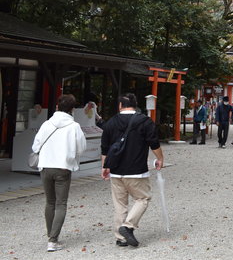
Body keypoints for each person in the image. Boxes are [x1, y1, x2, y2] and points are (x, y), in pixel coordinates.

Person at [100, 93, 164, 248]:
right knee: (142, 199)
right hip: (137, 170)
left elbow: (105, 148)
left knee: (120, 204)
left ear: (120, 105)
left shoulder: (110, 123)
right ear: (135, 105)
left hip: (115, 170)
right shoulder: (144, 121)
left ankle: (120, 238)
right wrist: (160, 159)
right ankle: (128, 226)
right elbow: (154, 143)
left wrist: (105, 167)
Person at [32, 94, 87, 252]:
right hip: (63, 167)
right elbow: (81, 148)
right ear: (72, 109)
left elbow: (36, 146)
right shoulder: (74, 126)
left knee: (50, 202)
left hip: (45, 167)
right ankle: (53, 240)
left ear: (57, 107)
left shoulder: (47, 124)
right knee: (61, 203)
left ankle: (51, 235)